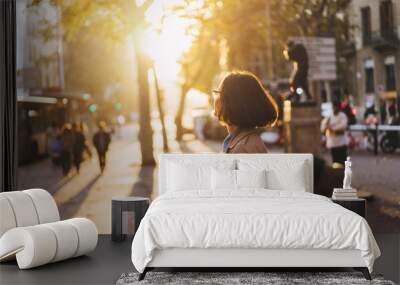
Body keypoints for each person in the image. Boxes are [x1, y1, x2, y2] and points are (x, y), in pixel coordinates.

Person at [213, 71, 278, 153]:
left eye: (218, 93)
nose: (216, 99)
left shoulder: (242, 149)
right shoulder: (242, 140)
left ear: (233, 103)